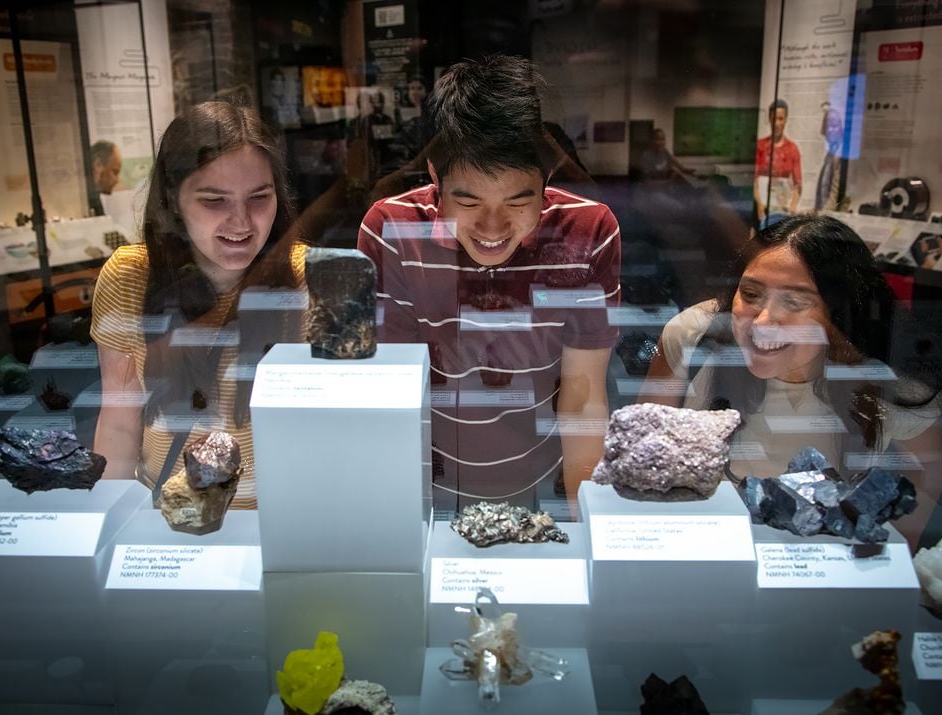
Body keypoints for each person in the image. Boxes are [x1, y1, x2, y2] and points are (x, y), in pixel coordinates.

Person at [357, 55, 622, 510]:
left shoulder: (587, 231)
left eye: (519, 201)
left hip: (542, 486)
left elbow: (583, 396)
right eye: (469, 200)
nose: (493, 226)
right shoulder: (394, 228)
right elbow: (390, 398)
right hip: (421, 486)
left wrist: (584, 526)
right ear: (436, 179)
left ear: (547, 180)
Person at [640, 214, 942, 549]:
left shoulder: (893, 390)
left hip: (822, 578)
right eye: (751, 293)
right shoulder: (692, 336)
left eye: (795, 300)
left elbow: (922, 488)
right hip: (702, 556)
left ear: (838, 312)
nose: (764, 320)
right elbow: (640, 462)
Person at [90, 101, 306, 508]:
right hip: (169, 520)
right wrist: (107, 523)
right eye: (214, 201)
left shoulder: (309, 278)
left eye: (259, 197)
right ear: (172, 199)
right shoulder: (129, 276)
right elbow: (119, 422)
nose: (242, 222)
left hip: (280, 521)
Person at [753, 99, 802, 227]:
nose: (777, 123)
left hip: (782, 209)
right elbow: (754, 179)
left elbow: (798, 183)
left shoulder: (792, 148)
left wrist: (792, 206)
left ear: (785, 119)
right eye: (774, 119)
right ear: (769, 119)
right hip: (761, 209)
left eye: (781, 119)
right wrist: (759, 204)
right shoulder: (760, 146)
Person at [88, 140, 122, 215]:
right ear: (98, 165)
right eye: (115, 172)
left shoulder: (93, 195)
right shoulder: (84, 199)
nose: (117, 180)